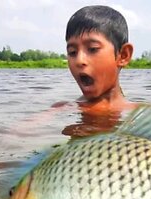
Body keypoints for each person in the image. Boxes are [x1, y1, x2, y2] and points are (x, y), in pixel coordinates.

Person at [59, 5, 140, 137]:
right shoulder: (61, 109)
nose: (79, 60)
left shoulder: (141, 115)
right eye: (72, 52)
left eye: (92, 49)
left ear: (123, 55)